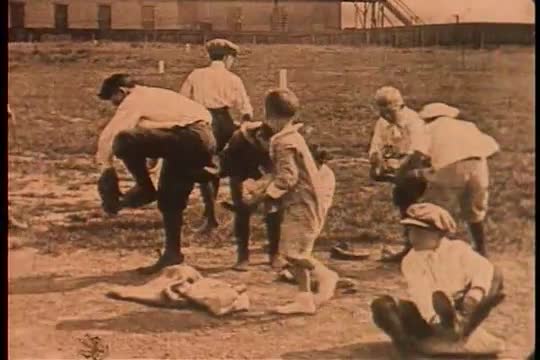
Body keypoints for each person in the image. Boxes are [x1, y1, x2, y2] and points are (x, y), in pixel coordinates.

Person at [96, 73, 218, 274]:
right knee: (169, 200)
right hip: (195, 139)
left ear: (122, 91)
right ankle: (172, 254)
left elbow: (111, 135)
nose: (115, 107)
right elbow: (163, 129)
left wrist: (106, 169)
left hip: (191, 137)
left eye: (114, 100)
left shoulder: (135, 98)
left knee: (123, 139)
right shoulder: (155, 98)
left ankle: (145, 188)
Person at [243, 88, 338, 314]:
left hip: (303, 203)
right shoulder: (292, 136)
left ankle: (325, 277)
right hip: (302, 201)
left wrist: (262, 197)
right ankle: (304, 297)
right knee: (292, 250)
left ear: (268, 113)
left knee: (293, 253)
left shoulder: (283, 142)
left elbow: (287, 178)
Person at [370, 203, 505, 355]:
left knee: (495, 274)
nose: (413, 237)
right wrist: (433, 321)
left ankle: (460, 326)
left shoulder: (458, 250)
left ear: (439, 234)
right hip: (430, 316)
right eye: (410, 231)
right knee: (382, 305)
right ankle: (408, 349)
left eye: (420, 232)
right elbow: (420, 293)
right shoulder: (411, 260)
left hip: (462, 307)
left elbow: (483, 268)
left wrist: (475, 293)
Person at [405, 102, 499, 257]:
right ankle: (482, 250)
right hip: (479, 166)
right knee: (475, 211)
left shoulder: (428, 129)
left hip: (452, 168)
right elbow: (492, 146)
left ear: (428, 118)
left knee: (434, 209)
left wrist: (408, 172)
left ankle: (429, 251)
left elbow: (417, 154)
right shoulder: (468, 125)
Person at [180, 38, 253, 234]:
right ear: (228, 57)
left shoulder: (196, 75)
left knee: (206, 167)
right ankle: (238, 214)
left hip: (203, 122)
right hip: (225, 122)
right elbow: (245, 108)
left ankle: (211, 216)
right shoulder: (233, 78)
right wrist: (244, 125)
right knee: (233, 167)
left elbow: (183, 100)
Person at [368, 86, 431, 262]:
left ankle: (420, 248)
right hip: (399, 165)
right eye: (382, 110)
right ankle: (410, 246)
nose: (386, 115)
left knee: (414, 203)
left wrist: (400, 171)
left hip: (420, 165)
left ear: (400, 106)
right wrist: (376, 163)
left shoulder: (413, 121)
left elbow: (417, 152)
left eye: (389, 110)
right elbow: (376, 146)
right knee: (403, 201)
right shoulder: (382, 122)